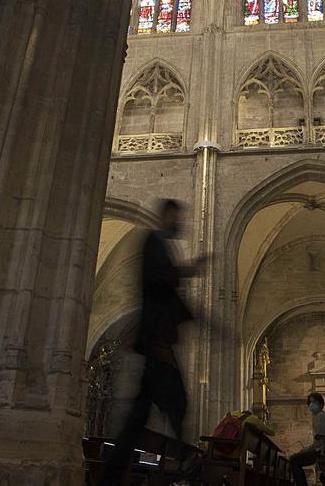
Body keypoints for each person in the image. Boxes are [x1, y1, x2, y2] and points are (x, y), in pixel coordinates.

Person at [101, 199, 209, 486]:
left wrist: (196, 316)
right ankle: (186, 458)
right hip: (156, 339)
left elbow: (166, 291)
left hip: (156, 340)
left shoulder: (161, 244)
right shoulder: (152, 241)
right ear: (166, 215)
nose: (179, 223)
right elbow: (157, 282)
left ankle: (110, 476)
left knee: (138, 418)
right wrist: (187, 271)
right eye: (176, 217)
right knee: (176, 400)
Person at [289, 392, 325, 486]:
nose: (311, 404)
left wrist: (306, 449)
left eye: (314, 402)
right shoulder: (322, 416)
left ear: (321, 404)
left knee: (294, 459)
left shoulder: (321, 417)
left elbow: (319, 441)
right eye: (309, 402)